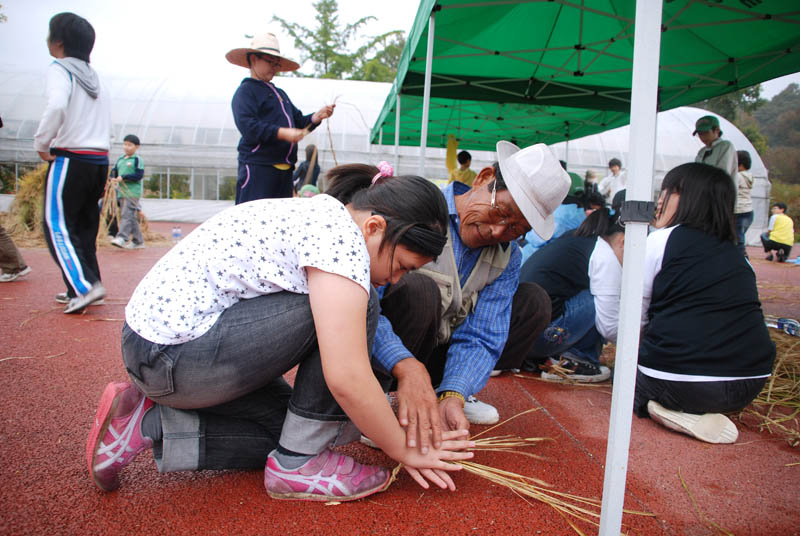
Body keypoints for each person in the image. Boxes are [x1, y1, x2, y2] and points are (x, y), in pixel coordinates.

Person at [86, 162, 474, 501]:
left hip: (163, 354)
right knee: (363, 301)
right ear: (374, 226)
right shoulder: (340, 242)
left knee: (289, 432)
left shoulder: (325, 217)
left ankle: (147, 425)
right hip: (173, 360)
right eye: (403, 265)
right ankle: (300, 464)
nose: (397, 278)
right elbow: (347, 378)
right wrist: (403, 450)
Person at [371, 141, 569, 441]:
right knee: (421, 289)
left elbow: (483, 332)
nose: (498, 232)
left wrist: (455, 392)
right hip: (386, 345)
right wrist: (404, 365)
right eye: (502, 211)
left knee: (533, 302)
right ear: (483, 178)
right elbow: (366, 304)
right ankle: (383, 393)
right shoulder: (422, 209)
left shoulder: (508, 255)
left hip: (439, 349)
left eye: (517, 229)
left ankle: (445, 391)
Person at [636, 162, 775, 444]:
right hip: (750, 383)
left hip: (682, 382)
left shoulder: (660, 241)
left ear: (690, 199)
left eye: (667, 193)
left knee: (625, 380)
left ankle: (663, 407)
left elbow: (634, 315)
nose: (659, 201)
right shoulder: (739, 256)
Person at [33, 12, 111, 314]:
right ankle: (82, 285)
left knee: (57, 225)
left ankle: (85, 286)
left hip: (71, 157)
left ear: (58, 43)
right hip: (98, 160)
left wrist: (42, 143)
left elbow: (55, 105)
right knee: (83, 227)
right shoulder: (96, 78)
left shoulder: (59, 69)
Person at [518, 208, 623, 383]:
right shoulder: (605, 257)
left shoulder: (579, 239)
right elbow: (608, 325)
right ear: (623, 241)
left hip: (520, 338)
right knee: (597, 299)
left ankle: (565, 355)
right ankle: (577, 360)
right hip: (540, 339)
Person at [227, 33, 334, 203]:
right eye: (270, 62)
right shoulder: (246, 92)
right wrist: (282, 133)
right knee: (254, 216)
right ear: (254, 59)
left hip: (285, 171)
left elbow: (298, 122)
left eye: (276, 64)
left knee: (280, 220)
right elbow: (248, 127)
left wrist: (316, 117)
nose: (274, 68)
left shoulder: (280, 94)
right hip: (259, 168)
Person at [518, 160, 587, 265]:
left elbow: (537, 240)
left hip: (538, 261)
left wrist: (523, 232)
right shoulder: (580, 214)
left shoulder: (559, 215)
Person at [110, 134, 145, 250]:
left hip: (132, 193)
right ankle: (138, 241)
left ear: (136, 147)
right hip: (121, 192)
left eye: (130, 145)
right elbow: (114, 171)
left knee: (126, 214)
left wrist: (124, 177)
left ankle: (122, 237)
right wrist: (113, 178)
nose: (126, 147)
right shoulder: (120, 159)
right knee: (131, 216)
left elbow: (139, 175)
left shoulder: (137, 159)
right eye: (125, 144)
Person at [693, 115, 737, 192]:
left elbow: (722, 174)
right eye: (700, 134)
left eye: (706, 133)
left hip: (720, 195)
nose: (702, 137)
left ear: (717, 130)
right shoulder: (702, 151)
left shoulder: (725, 146)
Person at [734, 150, 754, 257]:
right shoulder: (749, 176)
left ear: (740, 165)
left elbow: (731, 191)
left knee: (738, 239)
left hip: (738, 211)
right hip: (749, 211)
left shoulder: (737, 176)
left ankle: (742, 258)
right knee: (738, 237)